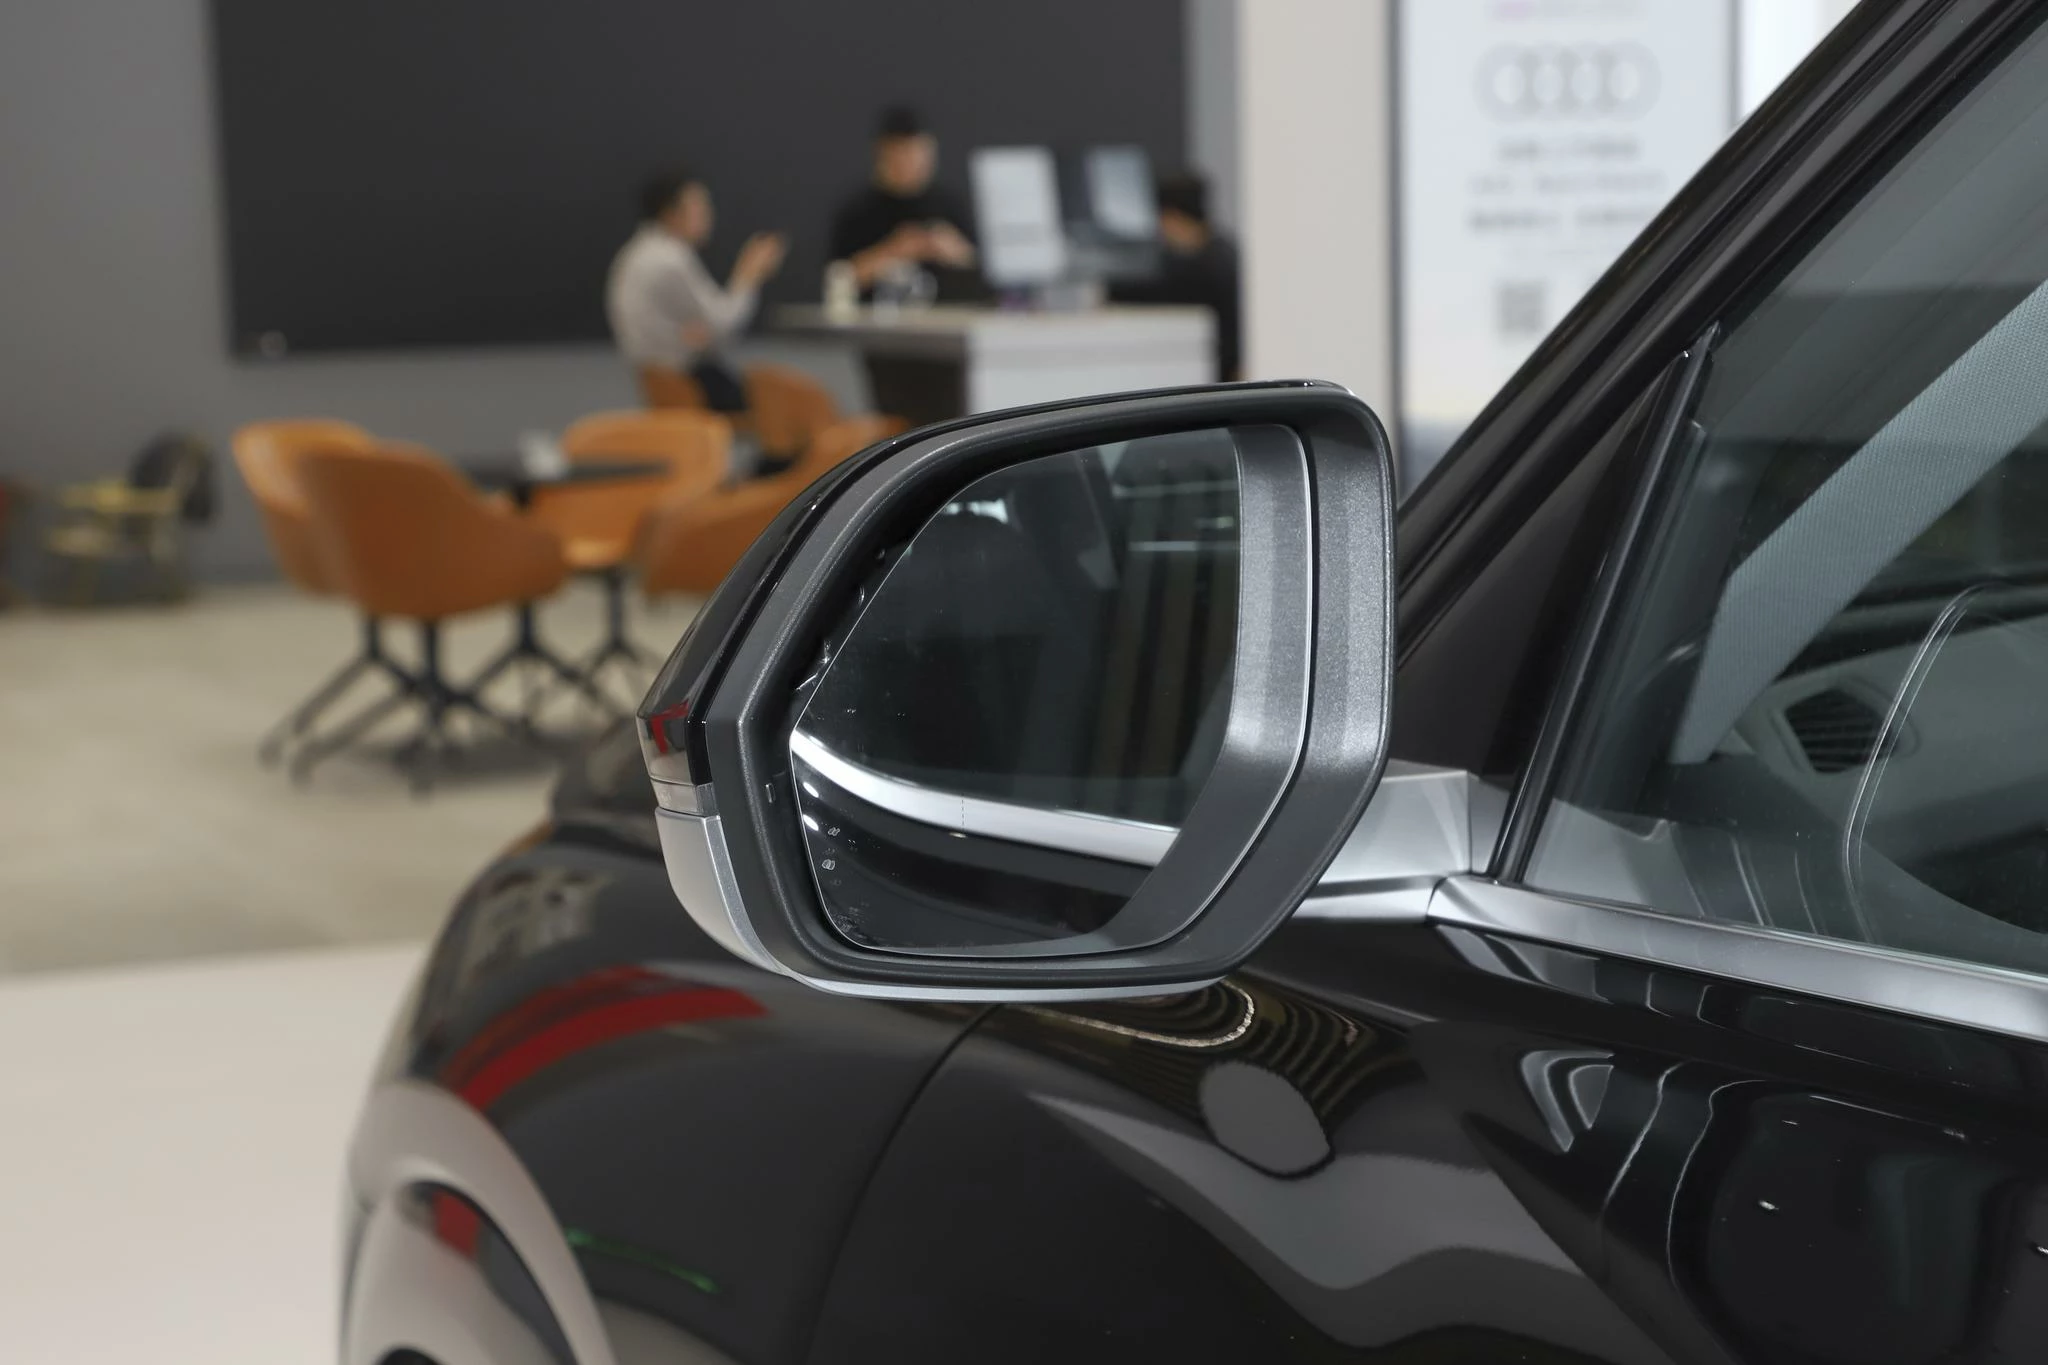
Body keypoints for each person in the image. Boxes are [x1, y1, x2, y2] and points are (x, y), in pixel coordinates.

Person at [607, 169, 786, 411]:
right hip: (686, 379)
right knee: (788, 403)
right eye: (699, 206)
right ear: (670, 212)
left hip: (668, 373)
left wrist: (703, 334)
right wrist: (749, 275)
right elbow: (722, 325)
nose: (708, 214)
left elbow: (707, 330)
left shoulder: (639, 252)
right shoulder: (669, 259)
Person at [830, 106, 979, 300]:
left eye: (917, 152)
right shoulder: (858, 211)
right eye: (900, 153)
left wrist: (950, 248)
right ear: (881, 154)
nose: (909, 162)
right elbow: (839, 279)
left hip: (946, 314)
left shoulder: (949, 205)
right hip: (875, 315)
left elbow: (981, 269)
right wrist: (895, 250)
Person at [1111, 172, 1241, 382]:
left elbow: (1156, 289)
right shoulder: (1222, 253)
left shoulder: (1205, 267)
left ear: (1172, 217)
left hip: (1221, 377)